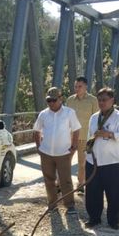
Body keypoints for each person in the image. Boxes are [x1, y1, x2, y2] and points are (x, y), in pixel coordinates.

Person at [83, 87, 119, 229]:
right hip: (93, 161)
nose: (101, 102)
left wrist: (109, 134)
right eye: (99, 100)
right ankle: (94, 217)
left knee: (114, 193)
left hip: (111, 162)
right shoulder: (94, 117)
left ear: (112, 100)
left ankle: (114, 221)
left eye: (104, 100)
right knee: (92, 192)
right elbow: (89, 136)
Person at [33, 86, 81, 215]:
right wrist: (39, 147)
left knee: (65, 180)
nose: (51, 103)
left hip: (63, 152)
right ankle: (52, 205)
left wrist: (74, 145)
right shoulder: (43, 114)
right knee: (49, 179)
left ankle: (70, 205)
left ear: (61, 99)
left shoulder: (69, 113)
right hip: (46, 153)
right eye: (49, 100)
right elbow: (36, 130)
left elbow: (76, 129)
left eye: (54, 100)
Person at [66, 77, 99, 193]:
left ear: (86, 87)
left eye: (80, 86)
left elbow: (97, 118)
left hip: (85, 137)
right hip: (70, 137)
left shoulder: (93, 100)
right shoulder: (70, 100)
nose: (77, 89)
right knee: (65, 161)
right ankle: (62, 184)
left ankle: (80, 184)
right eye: (75, 86)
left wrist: (94, 138)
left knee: (82, 163)